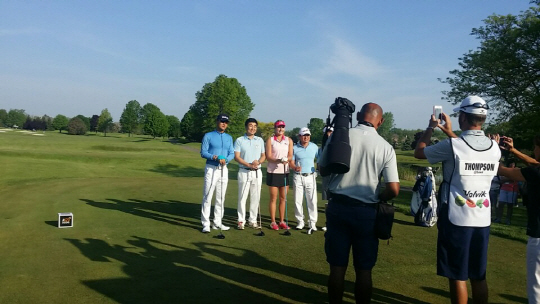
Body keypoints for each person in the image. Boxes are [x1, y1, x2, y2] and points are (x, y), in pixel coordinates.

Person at [414, 96, 501, 304]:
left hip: (456, 217)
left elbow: (419, 152)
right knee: (478, 274)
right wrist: (449, 131)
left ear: (462, 116)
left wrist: (430, 128)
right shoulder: (494, 147)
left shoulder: (452, 145)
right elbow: (468, 148)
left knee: (457, 274)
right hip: (482, 218)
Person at [319, 103, 400, 304]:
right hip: (366, 212)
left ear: (357, 117)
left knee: (337, 268)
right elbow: (394, 189)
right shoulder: (385, 147)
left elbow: (322, 170)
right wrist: (379, 197)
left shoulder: (339, 138)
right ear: (380, 121)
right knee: (364, 270)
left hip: (338, 208)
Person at [496, 134, 540, 304]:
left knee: (536, 287)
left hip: (538, 236)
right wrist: (514, 151)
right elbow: (535, 163)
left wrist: (492, 150)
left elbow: (501, 170)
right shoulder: (536, 169)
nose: (534, 149)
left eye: (536, 146)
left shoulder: (534, 173)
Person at [200, 114, 235, 233]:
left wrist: (227, 159)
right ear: (217, 122)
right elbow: (203, 152)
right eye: (222, 121)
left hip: (223, 168)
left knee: (221, 197)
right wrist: (214, 157)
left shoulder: (229, 137)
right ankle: (205, 223)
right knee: (208, 196)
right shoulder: (208, 136)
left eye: (226, 122)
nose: (224, 123)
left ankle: (217, 222)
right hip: (211, 168)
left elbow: (232, 153)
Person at [234, 118, 266, 230]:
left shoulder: (260, 140)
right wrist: (248, 164)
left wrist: (258, 162)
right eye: (250, 125)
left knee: (255, 197)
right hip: (244, 171)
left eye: (255, 126)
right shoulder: (239, 140)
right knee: (242, 197)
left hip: (257, 172)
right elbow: (237, 157)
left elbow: (263, 156)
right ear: (246, 127)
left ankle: (252, 220)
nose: (253, 128)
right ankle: (241, 221)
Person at [265, 120, 294, 230]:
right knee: (273, 198)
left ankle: (281, 221)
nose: (280, 129)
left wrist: (287, 159)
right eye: (278, 127)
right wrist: (278, 160)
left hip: (284, 172)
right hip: (273, 172)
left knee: (283, 198)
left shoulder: (289, 140)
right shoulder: (270, 140)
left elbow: (290, 155)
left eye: (282, 127)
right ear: (275, 128)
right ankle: (273, 222)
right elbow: (268, 156)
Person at [290, 127, 319, 230]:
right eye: (304, 135)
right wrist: (294, 167)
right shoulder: (294, 147)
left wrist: (318, 169)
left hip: (311, 176)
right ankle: (300, 221)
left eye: (308, 135)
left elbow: (319, 160)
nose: (306, 137)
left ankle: (312, 222)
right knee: (298, 200)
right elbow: (291, 162)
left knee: (312, 200)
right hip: (298, 176)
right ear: (299, 136)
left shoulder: (314, 147)